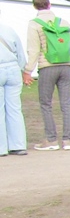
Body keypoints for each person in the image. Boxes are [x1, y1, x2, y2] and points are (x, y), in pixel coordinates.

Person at [26, 0, 70, 151]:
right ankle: (68, 140)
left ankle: (51, 139)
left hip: (47, 67)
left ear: (35, 7)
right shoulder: (63, 22)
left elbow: (33, 50)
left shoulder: (34, 24)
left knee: (46, 103)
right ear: (49, 4)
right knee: (66, 103)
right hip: (66, 67)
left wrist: (28, 70)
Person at [0, 15, 30, 156]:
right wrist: (24, 70)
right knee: (15, 109)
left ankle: (2, 148)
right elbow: (20, 53)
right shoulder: (8, 30)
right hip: (13, 69)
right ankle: (18, 145)